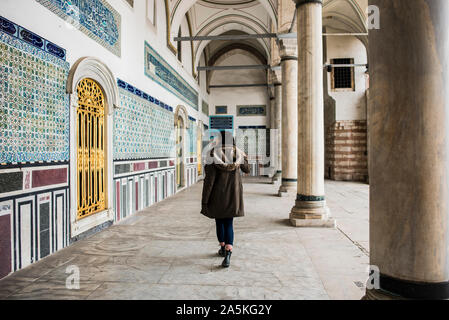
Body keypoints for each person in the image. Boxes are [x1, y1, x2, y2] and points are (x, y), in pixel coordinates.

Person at [201, 130, 250, 268]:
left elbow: (209, 181)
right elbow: (247, 170)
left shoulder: (212, 155)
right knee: (229, 223)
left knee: (219, 222)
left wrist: (205, 200)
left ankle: (222, 248)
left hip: (217, 196)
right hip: (233, 196)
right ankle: (228, 253)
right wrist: (244, 156)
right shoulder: (238, 154)